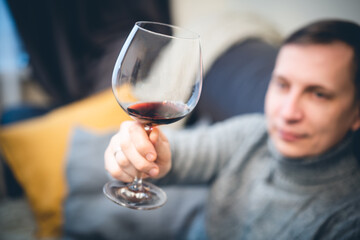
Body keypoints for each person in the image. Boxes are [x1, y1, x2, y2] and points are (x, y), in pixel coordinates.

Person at [104, 19, 360, 240]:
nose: (288, 112)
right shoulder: (252, 135)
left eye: (318, 94)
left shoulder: (350, 219)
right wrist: (135, 153)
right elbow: (176, 152)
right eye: (282, 84)